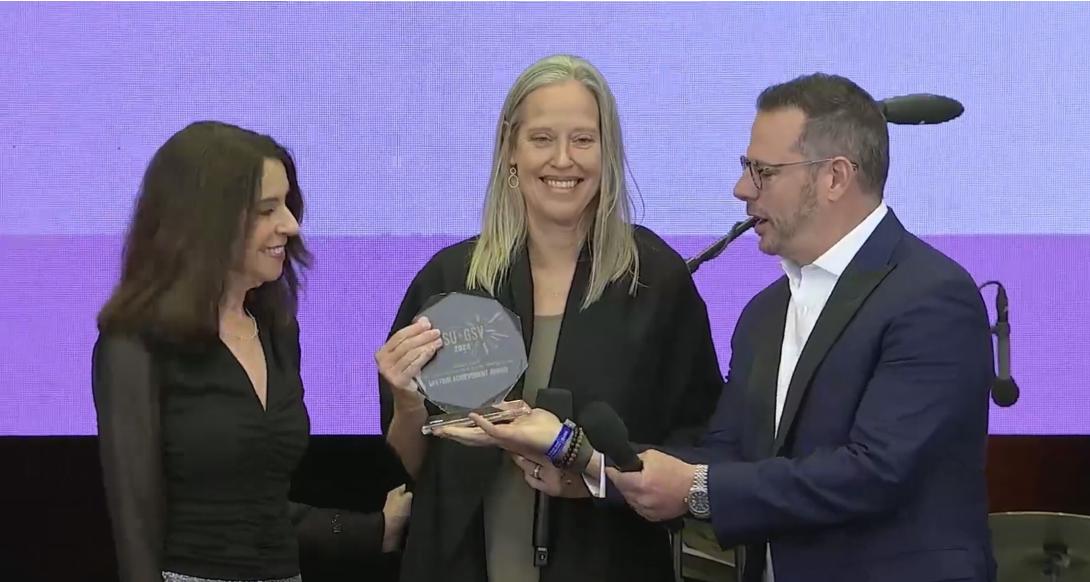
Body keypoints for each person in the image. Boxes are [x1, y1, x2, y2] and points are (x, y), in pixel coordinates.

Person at [470, 73, 997, 582]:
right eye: (747, 168)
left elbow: (876, 474)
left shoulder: (931, 297)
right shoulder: (765, 313)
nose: (741, 188)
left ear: (835, 177)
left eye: (764, 172)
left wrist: (697, 487)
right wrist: (590, 469)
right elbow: (723, 453)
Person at [374, 54, 724, 582]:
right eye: (542, 139)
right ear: (510, 150)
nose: (563, 160)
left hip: (609, 561)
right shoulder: (451, 279)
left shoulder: (655, 281)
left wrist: (592, 474)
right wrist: (405, 401)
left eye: (583, 139)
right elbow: (416, 465)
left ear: (608, 152)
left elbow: (695, 447)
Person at [92, 121, 412, 582]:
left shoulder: (277, 331)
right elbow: (135, 526)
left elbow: (261, 510)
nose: (291, 225)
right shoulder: (135, 345)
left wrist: (372, 530)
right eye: (267, 210)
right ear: (206, 220)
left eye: (287, 205)